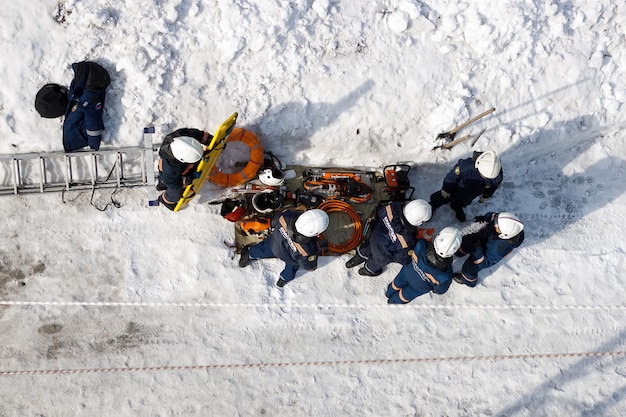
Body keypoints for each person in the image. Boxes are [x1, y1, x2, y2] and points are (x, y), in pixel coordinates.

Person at [239, 208, 329, 287]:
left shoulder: (287, 216)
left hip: (274, 243)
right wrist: (317, 251)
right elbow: (309, 266)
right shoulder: (308, 250)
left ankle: (248, 254)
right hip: (289, 258)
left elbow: (273, 222)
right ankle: (283, 280)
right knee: (291, 269)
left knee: (262, 249)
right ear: (315, 233)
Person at [34, 61, 110, 152]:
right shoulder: (75, 106)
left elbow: (91, 116)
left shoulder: (75, 111)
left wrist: (94, 143)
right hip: (92, 77)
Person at [345, 199, 432, 277]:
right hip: (382, 253)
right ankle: (367, 270)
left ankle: (358, 257)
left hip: (375, 236)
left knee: (367, 247)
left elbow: (379, 211)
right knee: (376, 262)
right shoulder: (407, 240)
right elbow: (401, 258)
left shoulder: (392, 208)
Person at [386, 226, 462, 304]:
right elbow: (440, 290)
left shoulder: (421, 244)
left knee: (397, 282)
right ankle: (393, 301)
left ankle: (389, 292)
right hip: (419, 287)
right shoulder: (445, 276)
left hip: (406, 272)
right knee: (405, 295)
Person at [453, 212, 524, 287]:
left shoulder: (499, 249)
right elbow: (495, 217)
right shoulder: (503, 223)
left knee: (470, 268)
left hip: (481, 254)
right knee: (467, 241)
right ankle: (460, 251)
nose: (495, 224)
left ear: (504, 235)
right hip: (482, 238)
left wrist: (477, 249)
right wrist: (485, 218)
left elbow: (484, 262)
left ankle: (468, 280)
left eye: (497, 226)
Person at [429, 150, 503, 222]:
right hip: (457, 188)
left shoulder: (496, 175)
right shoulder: (466, 167)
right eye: (483, 175)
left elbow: (494, 186)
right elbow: (452, 176)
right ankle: (432, 205)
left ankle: (457, 206)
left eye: (488, 177)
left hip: (473, 192)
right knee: (443, 197)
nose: (485, 177)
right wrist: (446, 189)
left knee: (465, 201)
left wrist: (486, 195)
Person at [156, 128, 213, 210]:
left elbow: (194, 133)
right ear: (182, 159)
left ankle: (161, 185)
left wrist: (207, 138)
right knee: (174, 192)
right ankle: (166, 200)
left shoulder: (180, 137)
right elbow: (176, 185)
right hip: (170, 176)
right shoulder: (171, 170)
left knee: (164, 178)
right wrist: (191, 176)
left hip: (166, 168)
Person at [62, 61, 111, 152]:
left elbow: (92, 119)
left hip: (74, 137)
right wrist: (94, 144)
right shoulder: (88, 97)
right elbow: (92, 119)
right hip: (74, 134)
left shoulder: (88, 98)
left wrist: (94, 145)